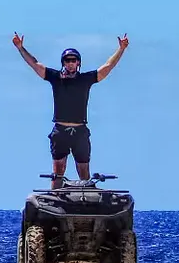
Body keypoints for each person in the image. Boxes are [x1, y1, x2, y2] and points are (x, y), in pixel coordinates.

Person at [11, 32, 128, 182]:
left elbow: (108, 66)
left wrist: (121, 49)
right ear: (63, 63)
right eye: (67, 60)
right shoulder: (55, 78)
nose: (71, 63)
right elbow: (35, 64)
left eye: (74, 60)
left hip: (80, 131)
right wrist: (20, 48)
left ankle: (87, 199)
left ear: (78, 63)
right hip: (60, 131)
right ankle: (55, 198)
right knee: (58, 171)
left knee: (84, 170)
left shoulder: (85, 79)